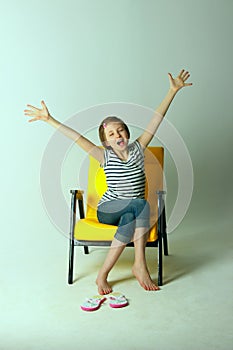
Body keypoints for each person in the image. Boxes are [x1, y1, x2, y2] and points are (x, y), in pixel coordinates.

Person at [24, 69, 192, 294]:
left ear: (128, 133)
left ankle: (102, 276)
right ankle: (139, 265)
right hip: (107, 209)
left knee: (131, 216)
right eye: (111, 134)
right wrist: (49, 119)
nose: (118, 135)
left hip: (131, 212)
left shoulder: (138, 149)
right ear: (105, 141)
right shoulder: (103, 155)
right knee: (140, 204)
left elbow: (156, 120)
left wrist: (172, 91)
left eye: (121, 130)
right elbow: (76, 137)